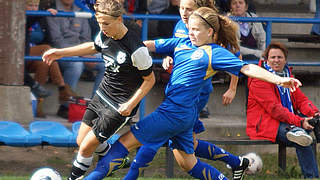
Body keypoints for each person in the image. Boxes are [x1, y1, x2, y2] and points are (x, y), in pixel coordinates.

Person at [84, 7, 301, 180]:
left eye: (197, 29)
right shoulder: (182, 42)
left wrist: (279, 79)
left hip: (173, 114)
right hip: (184, 116)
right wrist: (121, 42)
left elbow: (247, 68)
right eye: (190, 28)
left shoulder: (213, 53)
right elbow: (147, 45)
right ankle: (233, 170)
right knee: (188, 163)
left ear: (211, 32)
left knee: (122, 145)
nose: (191, 32)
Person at [42, 0, 155, 179]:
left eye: (106, 23)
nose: (102, 27)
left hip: (119, 105)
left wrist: (130, 104)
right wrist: (60, 52)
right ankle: (115, 158)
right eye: (99, 22)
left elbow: (150, 80)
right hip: (101, 95)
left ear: (119, 19)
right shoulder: (105, 34)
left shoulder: (136, 49)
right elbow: (93, 46)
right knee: (81, 141)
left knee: (86, 147)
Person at [246, 41, 319, 178]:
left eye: (280, 57)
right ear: (266, 60)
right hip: (266, 124)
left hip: (286, 121)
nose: (276, 60)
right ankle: (312, 177)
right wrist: (300, 122)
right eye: (273, 57)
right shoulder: (259, 79)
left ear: (285, 59)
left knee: (314, 124)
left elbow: (301, 100)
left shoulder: (287, 76)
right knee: (301, 138)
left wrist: (315, 114)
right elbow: (275, 109)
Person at [46, 0, 104, 118]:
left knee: (105, 61)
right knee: (76, 64)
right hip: (59, 53)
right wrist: (80, 54)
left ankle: (96, 107)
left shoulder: (80, 10)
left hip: (81, 51)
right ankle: (65, 106)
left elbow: (86, 38)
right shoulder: (52, 10)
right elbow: (56, 40)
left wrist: (86, 53)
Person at [25, 0, 78, 117]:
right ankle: (62, 88)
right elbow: (28, 22)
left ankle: (38, 104)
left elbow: (45, 34)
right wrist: (43, 13)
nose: (33, 8)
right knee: (47, 49)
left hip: (32, 56)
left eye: (35, 6)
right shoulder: (21, 16)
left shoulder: (37, 17)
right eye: (30, 5)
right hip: (21, 56)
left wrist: (45, 13)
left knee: (45, 62)